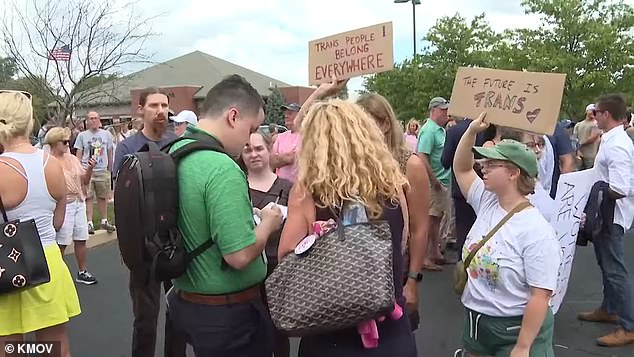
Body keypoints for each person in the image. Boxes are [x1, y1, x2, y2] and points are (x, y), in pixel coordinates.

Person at [279, 99, 416, 357]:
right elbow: (401, 242)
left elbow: (287, 256)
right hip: (391, 327)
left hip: (331, 331)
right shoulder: (393, 184)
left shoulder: (307, 192)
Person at [167, 74, 283, 356]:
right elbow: (239, 255)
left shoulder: (177, 150)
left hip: (186, 301)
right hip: (227, 316)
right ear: (233, 116)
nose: (247, 141)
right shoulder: (221, 167)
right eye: (251, 128)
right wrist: (268, 224)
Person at [453, 112, 561, 357]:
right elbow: (461, 168)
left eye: (492, 164)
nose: (483, 167)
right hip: (477, 325)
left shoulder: (535, 230)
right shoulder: (487, 201)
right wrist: (471, 132)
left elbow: (540, 294)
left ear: (514, 173)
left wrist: (523, 347)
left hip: (514, 329)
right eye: (484, 162)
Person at [0, 90, 80, 357]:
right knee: (54, 347)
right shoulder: (53, 164)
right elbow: (58, 221)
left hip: (7, 263)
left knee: (9, 347)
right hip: (46, 260)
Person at [112, 88, 183, 357]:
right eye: (154, 105)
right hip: (143, 247)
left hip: (175, 241)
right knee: (145, 320)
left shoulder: (177, 144)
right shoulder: (127, 148)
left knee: (178, 314)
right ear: (140, 109)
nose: (160, 110)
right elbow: (123, 202)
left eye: (164, 105)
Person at [356, 93, 430, 330]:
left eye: (366, 124)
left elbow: (420, 228)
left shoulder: (410, 164)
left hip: (396, 272)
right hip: (360, 272)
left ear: (385, 123)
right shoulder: (355, 164)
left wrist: (413, 280)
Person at [577, 94, 634, 347]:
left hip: (612, 216)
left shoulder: (618, 145)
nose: (594, 115)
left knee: (615, 270)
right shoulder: (611, 140)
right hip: (606, 214)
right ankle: (610, 309)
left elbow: (621, 187)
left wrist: (595, 193)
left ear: (606, 115)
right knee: (606, 265)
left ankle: (629, 325)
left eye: (596, 111)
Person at [240, 131, 293, 357]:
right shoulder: (237, 187)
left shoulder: (288, 187)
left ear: (269, 150)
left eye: (259, 148)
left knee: (279, 331)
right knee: (250, 331)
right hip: (249, 268)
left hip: (280, 268)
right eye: (248, 149)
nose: (254, 154)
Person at [45, 127, 98, 285]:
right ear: (54, 143)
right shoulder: (48, 162)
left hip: (78, 201)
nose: (68, 144)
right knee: (61, 241)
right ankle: (56, 275)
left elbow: (85, 180)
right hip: (63, 204)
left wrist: (90, 168)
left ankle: (82, 272)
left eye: (69, 141)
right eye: (65, 142)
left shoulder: (73, 159)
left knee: (81, 238)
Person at [417, 97, 452, 269]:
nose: (446, 113)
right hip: (434, 182)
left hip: (441, 180)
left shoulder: (439, 130)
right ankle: (424, 257)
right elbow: (422, 155)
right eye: (443, 110)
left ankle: (434, 252)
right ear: (433, 110)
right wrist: (434, 180)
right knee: (429, 219)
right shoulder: (429, 130)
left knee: (436, 219)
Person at [74, 111, 115, 234]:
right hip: (87, 170)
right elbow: (79, 154)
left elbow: (109, 152)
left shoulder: (106, 135)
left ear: (100, 120)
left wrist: (110, 169)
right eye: (91, 118)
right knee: (89, 196)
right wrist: (79, 169)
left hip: (102, 169)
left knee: (103, 196)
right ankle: (89, 222)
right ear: (87, 121)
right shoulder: (82, 136)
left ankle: (104, 220)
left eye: (96, 118)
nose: (94, 121)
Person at [271, 102, 301, 182]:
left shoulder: (308, 136)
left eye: (290, 113)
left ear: (300, 116)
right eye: (286, 114)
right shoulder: (280, 137)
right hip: (281, 186)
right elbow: (271, 161)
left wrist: (280, 157)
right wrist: (287, 157)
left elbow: (295, 157)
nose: (286, 116)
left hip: (299, 185)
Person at [574, 104, 602, 170]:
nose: (592, 112)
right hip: (581, 154)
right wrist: (577, 149)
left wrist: (581, 143)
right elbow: (575, 138)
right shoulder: (578, 124)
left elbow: (593, 137)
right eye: (591, 111)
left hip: (591, 155)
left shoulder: (596, 124)